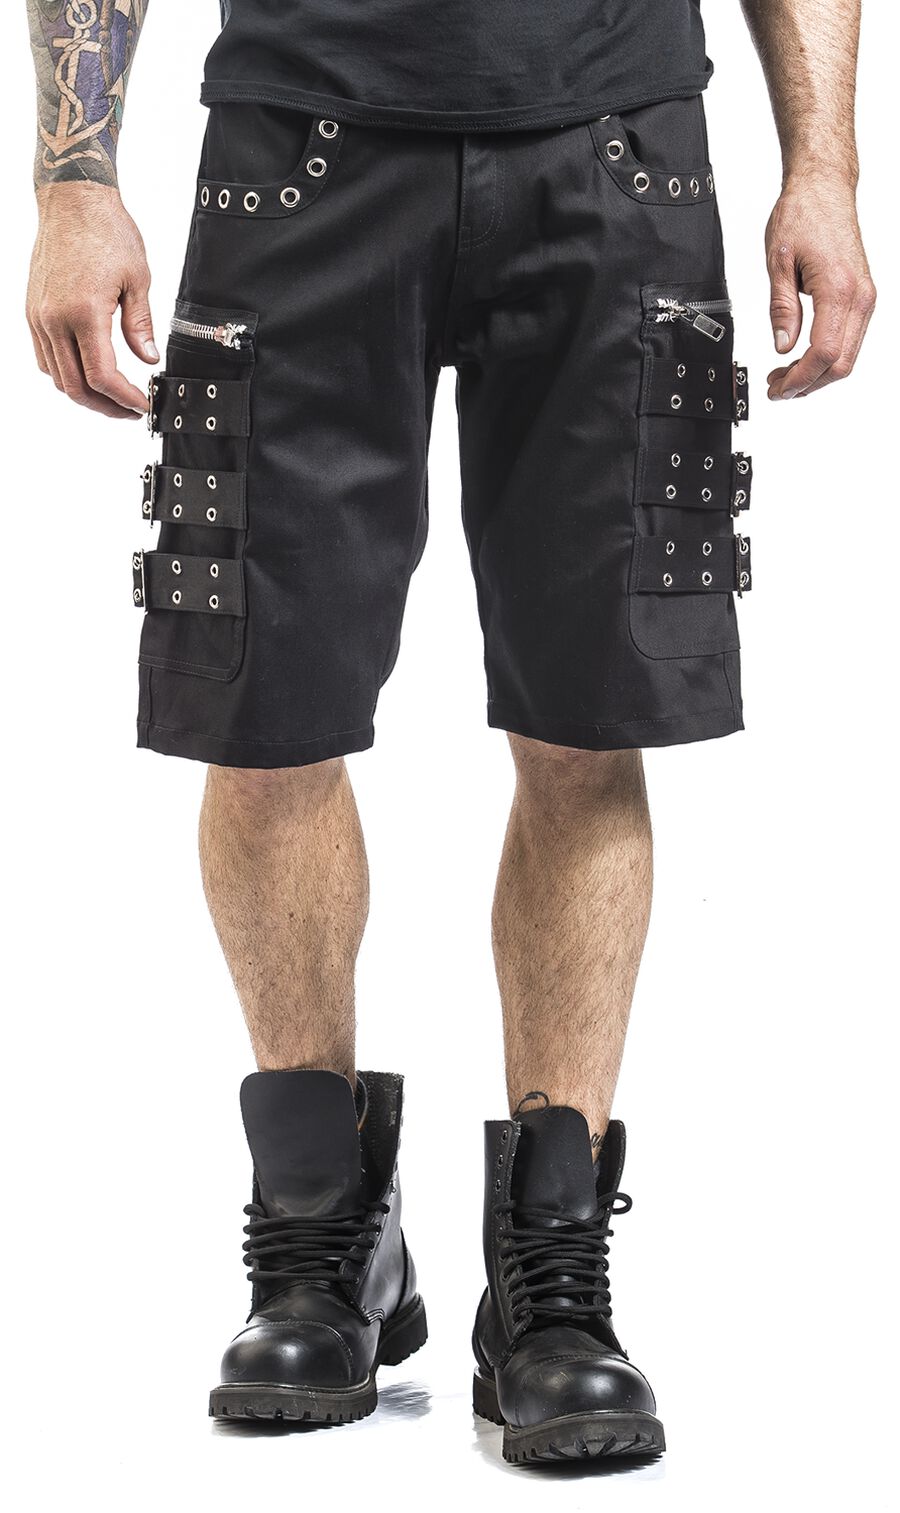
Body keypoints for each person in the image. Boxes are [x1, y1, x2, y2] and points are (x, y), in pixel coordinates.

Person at [25, 0, 874, 1465]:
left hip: (617, 149)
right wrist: (74, 178)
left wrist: (827, 167)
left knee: (590, 718)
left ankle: (553, 1281)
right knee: (265, 712)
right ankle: (318, 1244)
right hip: (299, 148)